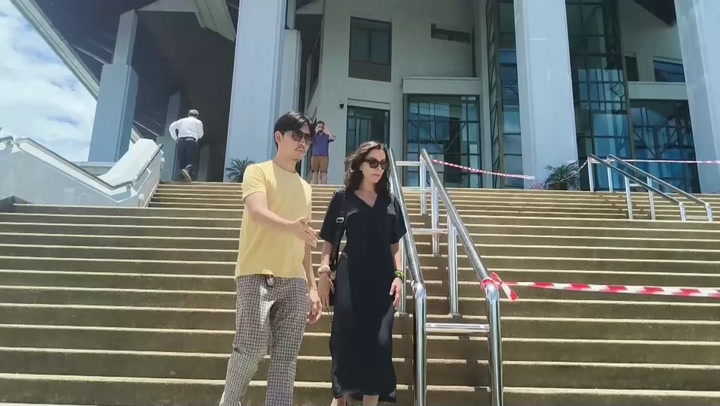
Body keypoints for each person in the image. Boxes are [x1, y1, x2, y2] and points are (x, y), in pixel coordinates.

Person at [218, 111, 323, 406]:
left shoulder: (306, 187)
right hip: (257, 273)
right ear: (279, 137)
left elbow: (305, 240)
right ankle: (230, 401)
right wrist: (291, 227)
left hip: (295, 281)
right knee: (250, 348)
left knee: (286, 359)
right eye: (296, 136)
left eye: (307, 138)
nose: (303, 143)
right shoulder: (257, 172)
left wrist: (312, 286)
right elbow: (258, 212)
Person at [317, 141, 408, 406]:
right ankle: (341, 398)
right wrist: (324, 274)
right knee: (346, 338)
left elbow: (395, 244)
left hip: (382, 281)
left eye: (383, 164)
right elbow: (330, 241)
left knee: (380, 343)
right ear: (360, 164)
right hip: (350, 278)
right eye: (373, 162)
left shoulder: (390, 202)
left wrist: (399, 276)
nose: (379, 168)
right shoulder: (343, 198)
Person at [169, 109, 204, 182]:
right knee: (192, 160)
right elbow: (201, 134)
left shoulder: (182, 120)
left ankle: (183, 177)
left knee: (182, 159)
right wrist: (197, 136)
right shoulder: (198, 122)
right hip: (191, 141)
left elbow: (171, 127)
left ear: (188, 114)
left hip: (181, 141)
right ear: (196, 116)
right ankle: (186, 171)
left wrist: (175, 138)